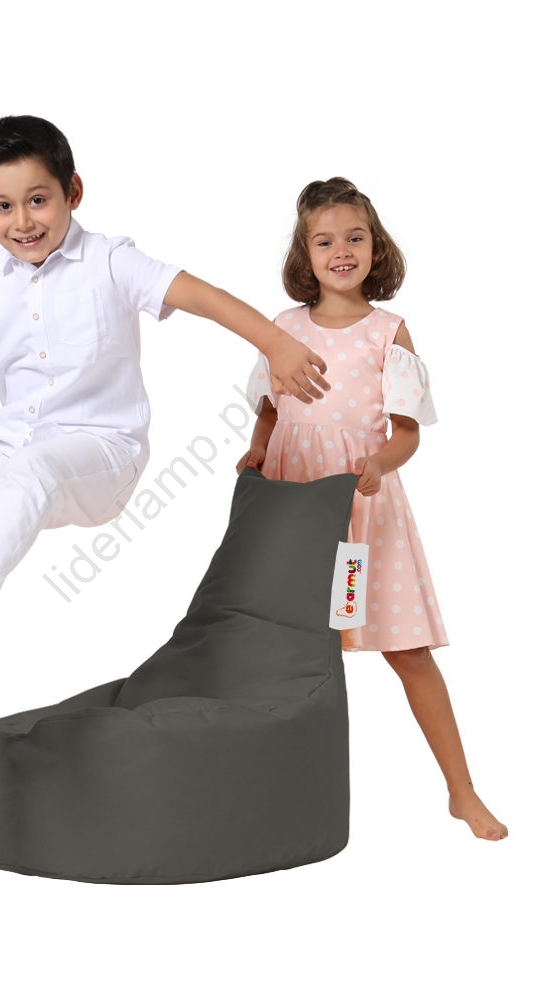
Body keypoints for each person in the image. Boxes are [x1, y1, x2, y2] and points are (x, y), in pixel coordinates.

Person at [0, 115, 330, 739]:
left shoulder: (111, 262)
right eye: (3, 206)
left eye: (38, 200)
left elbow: (201, 296)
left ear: (72, 192)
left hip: (102, 456)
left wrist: (275, 344)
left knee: (35, 470)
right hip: (16, 452)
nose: (22, 221)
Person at [237, 177, 507, 841]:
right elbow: (270, 410)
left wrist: (380, 463)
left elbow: (406, 431)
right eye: (325, 241)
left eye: (355, 238)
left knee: (405, 650)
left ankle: (462, 789)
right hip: (293, 508)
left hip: (359, 517)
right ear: (304, 255)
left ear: (375, 246)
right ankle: (268, 793)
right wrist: (258, 449)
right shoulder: (283, 328)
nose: (342, 251)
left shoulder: (388, 332)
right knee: (284, 650)